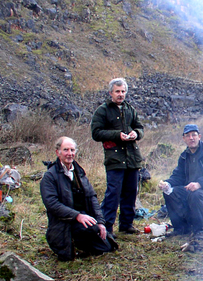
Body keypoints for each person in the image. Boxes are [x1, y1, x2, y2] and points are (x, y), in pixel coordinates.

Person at [40, 136, 118, 261]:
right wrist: (78, 216)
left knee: (106, 246)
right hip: (62, 224)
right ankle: (71, 242)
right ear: (58, 152)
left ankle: (81, 242)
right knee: (91, 229)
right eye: (66, 150)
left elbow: (92, 198)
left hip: (83, 219)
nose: (69, 154)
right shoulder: (50, 177)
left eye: (72, 150)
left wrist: (101, 222)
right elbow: (52, 205)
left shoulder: (79, 172)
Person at [91, 78, 144, 236]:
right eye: (117, 91)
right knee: (113, 194)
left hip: (132, 158)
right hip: (114, 158)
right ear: (110, 93)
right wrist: (117, 135)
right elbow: (96, 133)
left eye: (123, 91)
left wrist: (136, 133)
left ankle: (126, 225)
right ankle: (107, 228)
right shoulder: (103, 110)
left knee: (131, 192)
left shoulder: (130, 109)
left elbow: (140, 127)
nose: (120, 94)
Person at [158, 124, 203, 240]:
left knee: (196, 194)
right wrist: (167, 183)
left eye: (194, 135)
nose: (191, 138)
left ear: (199, 136)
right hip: (190, 189)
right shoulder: (184, 156)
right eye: (188, 136)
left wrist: (199, 184)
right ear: (184, 139)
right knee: (170, 192)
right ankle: (180, 228)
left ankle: (199, 231)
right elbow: (178, 176)